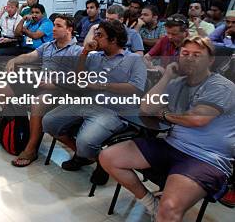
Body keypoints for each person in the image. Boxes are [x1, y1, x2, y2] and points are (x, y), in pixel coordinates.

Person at [100, 37, 235, 222]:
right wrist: (166, 77)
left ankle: (162, 209)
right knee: (109, 157)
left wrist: (164, 115)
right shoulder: (178, 83)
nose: (189, 59)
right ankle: (151, 203)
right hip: (172, 144)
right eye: (185, 54)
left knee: (169, 209)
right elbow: (146, 108)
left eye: (197, 55)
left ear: (211, 60)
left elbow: (197, 118)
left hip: (207, 157)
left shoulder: (221, 86)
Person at [42, 20, 147, 184]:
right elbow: (79, 79)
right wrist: (84, 53)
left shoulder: (134, 59)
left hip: (115, 110)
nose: (94, 38)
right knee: (49, 122)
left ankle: (94, 158)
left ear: (113, 39)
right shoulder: (95, 56)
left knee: (85, 142)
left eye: (99, 35)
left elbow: (136, 88)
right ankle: (93, 158)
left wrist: (103, 85)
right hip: (88, 102)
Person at [4, 14, 83, 166]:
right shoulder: (48, 46)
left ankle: (31, 148)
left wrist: (54, 84)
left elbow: (77, 79)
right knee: (4, 88)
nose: (53, 29)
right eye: (54, 25)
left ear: (69, 30)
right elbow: (30, 56)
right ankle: (14, 126)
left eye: (59, 26)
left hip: (61, 91)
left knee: (38, 101)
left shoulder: (77, 51)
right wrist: (14, 60)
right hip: (42, 85)